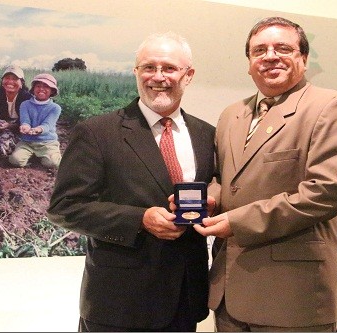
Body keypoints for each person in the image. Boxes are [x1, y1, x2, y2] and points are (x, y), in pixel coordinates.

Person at [175, 17, 337, 332]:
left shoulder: (332, 108)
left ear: (303, 59)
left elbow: (331, 190)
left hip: (292, 298)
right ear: (249, 64)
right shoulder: (231, 115)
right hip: (228, 295)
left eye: (283, 48)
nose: (270, 56)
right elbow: (225, 180)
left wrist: (238, 222)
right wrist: (210, 199)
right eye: (259, 50)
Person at [47, 32, 217, 332]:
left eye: (169, 68)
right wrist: (140, 219)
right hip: (119, 305)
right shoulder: (97, 133)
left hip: (184, 300)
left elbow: (214, 188)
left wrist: (213, 201)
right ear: (136, 73)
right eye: (149, 67)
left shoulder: (206, 134)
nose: (158, 77)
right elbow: (65, 207)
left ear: (188, 75)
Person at [8, 73, 62, 169]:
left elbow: (48, 125)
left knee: (53, 164)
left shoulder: (55, 108)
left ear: (52, 91)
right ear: (33, 89)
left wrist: (38, 129)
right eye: (38, 86)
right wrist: (25, 127)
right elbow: (25, 121)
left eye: (46, 87)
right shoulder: (25, 104)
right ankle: (31, 155)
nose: (41, 89)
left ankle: (49, 154)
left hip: (47, 142)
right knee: (15, 161)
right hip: (27, 141)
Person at [0, 65, 31, 156]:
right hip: (0, 129)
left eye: (15, 79)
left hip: (20, 129)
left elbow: (29, 122)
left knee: (4, 146)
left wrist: (10, 125)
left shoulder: (27, 98)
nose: (10, 81)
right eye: (7, 78)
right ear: (2, 81)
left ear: (21, 82)